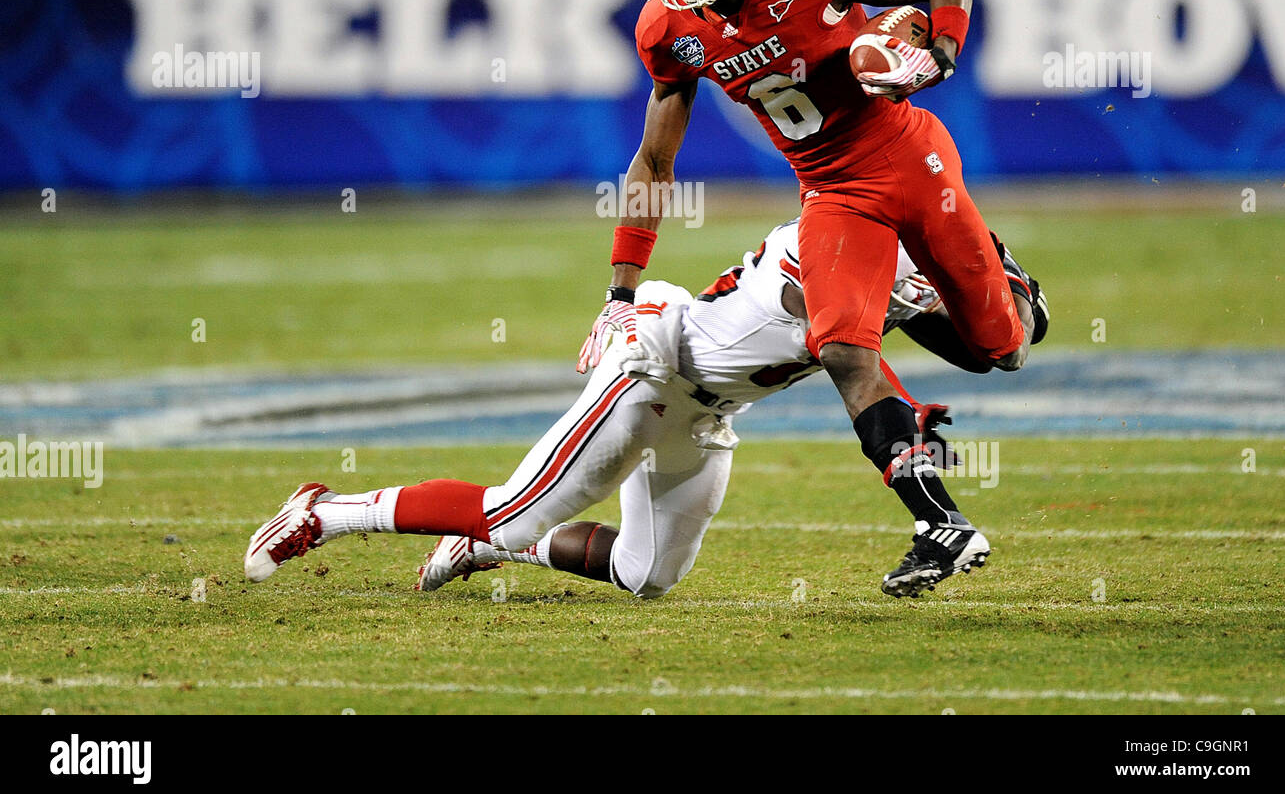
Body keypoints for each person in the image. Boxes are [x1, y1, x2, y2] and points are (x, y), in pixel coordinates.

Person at [578, 0, 1049, 587]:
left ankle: (1004, 277)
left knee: (1003, 348)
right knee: (841, 350)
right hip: (833, 192)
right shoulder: (670, 27)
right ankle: (939, 520)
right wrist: (620, 290)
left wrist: (940, 51)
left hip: (908, 152)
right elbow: (652, 161)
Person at [245, 218, 1031, 599]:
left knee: (646, 575)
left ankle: (490, 548)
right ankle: (326, 510)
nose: (944, 290)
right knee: (512, 508)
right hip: (654, 364)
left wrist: (910, 402)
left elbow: (864, 342)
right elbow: (843, 350)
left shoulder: (882, 268)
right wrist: (897, 413)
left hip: (705, 412)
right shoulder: (833, 241)